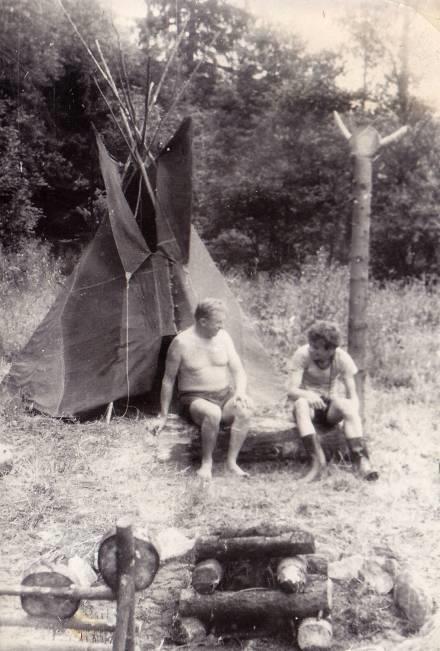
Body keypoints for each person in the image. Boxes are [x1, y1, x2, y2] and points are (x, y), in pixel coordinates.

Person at [154, 298, 253, 480]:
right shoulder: (181, 343)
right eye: (218, 323)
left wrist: (240, 392)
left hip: (224, 394)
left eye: (223, 322)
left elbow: (238, 370)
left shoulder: (223, 337)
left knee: (245, 409)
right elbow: (168, 380)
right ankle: (206, 463)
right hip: (194, 399)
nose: (221, 327)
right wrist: (163, 415)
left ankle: (232, 462)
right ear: (203, 321)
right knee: (213, 413)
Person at [287, 320, 378, 482]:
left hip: (329, 408)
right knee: (301, 403)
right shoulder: (302, 354)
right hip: (307, 408)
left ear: (330, 350)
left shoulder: (342, 358)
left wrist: (352, 415)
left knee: (347, 406)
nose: (311, 349)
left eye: (316, 348)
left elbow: (353, 395)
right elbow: (291, 390)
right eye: (311, 345)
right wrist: (309, 396)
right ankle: (318, 464)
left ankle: (362, 462)